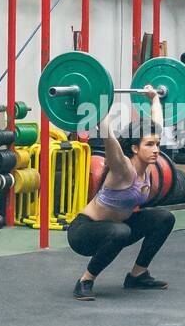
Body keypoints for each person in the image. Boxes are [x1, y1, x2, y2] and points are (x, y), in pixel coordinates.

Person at [67, 90, 176, 301]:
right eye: (150, 145)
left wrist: (154, 99)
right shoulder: (123, 168)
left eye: (157, 144)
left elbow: (156, 125)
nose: (156, 150)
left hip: (118, 228)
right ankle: (85, 281)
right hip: (84, 233)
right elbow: (109, 139)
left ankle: (138, 274)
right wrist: (101, 108)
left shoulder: (148, 165)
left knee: (164, 218)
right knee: (121, 231)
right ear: (134, 148)